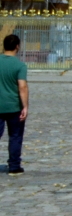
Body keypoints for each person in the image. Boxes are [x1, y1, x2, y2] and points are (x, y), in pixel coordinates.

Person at [0, 34, 28, 174]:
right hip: (13, 105)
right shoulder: (19, 65)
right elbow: (22, 87)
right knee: (15, 136)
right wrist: (25, 106)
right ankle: (14, 166)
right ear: (17, 46)